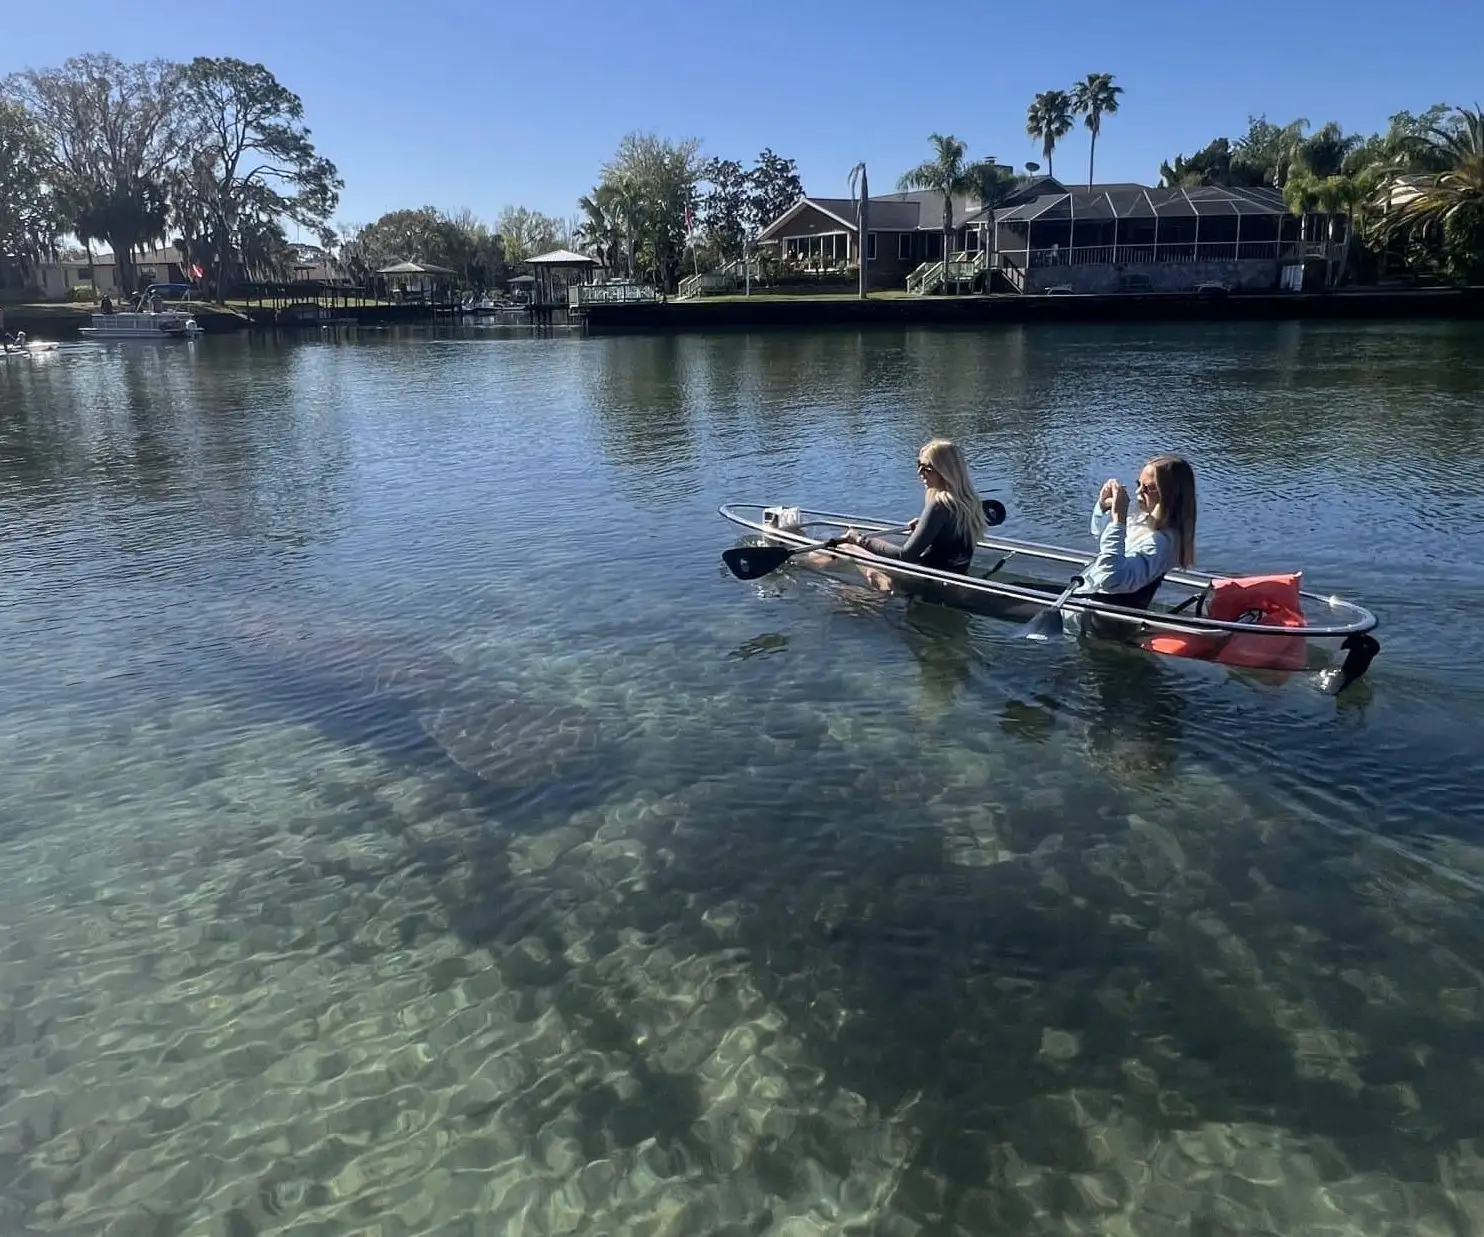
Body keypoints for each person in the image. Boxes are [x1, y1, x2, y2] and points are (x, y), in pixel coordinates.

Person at [835, 438, 988, 588]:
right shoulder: (969, 501)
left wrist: (859, 539)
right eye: (919, 465)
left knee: (846, 548)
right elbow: (950, 537)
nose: (919, 472)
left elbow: (905, 556)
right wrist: (925, 527)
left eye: (927, 468)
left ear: (945, 471)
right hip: (954, 575)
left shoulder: (940, 504)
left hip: (926, 579)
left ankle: (883, 585)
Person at [1079, 453, 1198, 611]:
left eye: (1148, 488)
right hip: (1087, 599)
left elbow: (1112, 580)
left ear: (1169, 495)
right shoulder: (1144, 519)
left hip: (1100, 617)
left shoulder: (1161, 543)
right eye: (1138, 484)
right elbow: (1099, 534)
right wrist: (1104, 506)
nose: (1138, 492)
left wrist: (1118, 521)